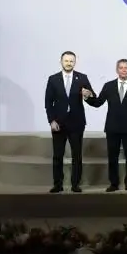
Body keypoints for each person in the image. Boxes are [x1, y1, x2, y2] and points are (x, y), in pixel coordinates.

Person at [84, 58, 127, 192]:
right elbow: (98, 103)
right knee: (113, 157)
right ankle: (114, 184)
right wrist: (87, 97)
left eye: (126, 68)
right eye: (121, 68)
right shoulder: (108, 86)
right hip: (112, 127)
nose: (124, 70)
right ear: (117, 70)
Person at [44, 51, 95, 193]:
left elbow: (93, 97)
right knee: (57, 155)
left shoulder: (82, 78)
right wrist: (51, 120)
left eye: (71, 61)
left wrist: (88, 95)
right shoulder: (53, 79)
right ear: (61, 62)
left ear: (75, 62)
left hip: (76, 123)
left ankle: (75, 184)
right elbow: (48, 102)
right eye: (66, 61)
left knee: (77, 155)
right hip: (58, 123)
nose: (68, 63)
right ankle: (57, 184)